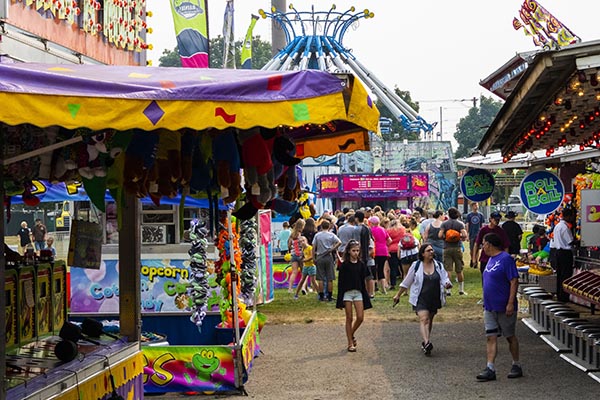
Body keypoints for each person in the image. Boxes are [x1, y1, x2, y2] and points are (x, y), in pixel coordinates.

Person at [476, 232, 522, 382]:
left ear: (489, 244)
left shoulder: (506, 259)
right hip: (489, 306)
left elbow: (514, 281)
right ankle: (490, 367)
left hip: (504, 305)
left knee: (510, 336)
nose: (482, 246)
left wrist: (510, 302)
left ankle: (516, 364)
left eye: (483, 243)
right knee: (491, 336)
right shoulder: (490, 259)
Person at [392, 243, 452, 356]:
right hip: (420, 298)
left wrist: (448, 284)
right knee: (424, 319)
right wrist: (398, 295)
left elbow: (444, 278)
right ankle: (427, 342)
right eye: (429, 250)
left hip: (434, 297)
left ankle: (426, 343)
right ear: (422, 253)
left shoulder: (438, 265)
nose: (431, 252)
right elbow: (407, 282)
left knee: (430, 319)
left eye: (432, 250)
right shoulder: (416, 265)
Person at [336, 240, 372, 352]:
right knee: (349, 317)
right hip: (347, 293)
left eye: (357, 250)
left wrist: (369, 293)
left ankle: (351, 333)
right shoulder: (344, 266)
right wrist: (339, 300)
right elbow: (340, 283)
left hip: (358, 293)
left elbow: (367, 279)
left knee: (360, 317)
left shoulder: (361, 265)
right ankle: (350, 343)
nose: (356, 253)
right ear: (349, 251)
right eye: (353, 251)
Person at [439, 207, 468, 296]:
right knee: (459, 269)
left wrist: (445, 237)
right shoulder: (460, 224)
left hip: (447, 247)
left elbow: (440, 235)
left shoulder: (444, 224)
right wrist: (460, 237)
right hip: (457, 247)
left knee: (448, 269)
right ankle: (461, 290)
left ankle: (448, 291)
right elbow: (465, 234)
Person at [550, 208, 577, 302]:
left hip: (558, 252)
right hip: (565, 253)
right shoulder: (565, 228)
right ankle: (564, 296)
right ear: (568, 216)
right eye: (572, 216)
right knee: (566, 275)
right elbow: (570, 241)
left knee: (560, 274)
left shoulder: (558, 226)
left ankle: (560, 294)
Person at [312, 220, 341, 301]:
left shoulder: (317, 235)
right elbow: (339, 242)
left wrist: (313, 257)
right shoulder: (331, 235)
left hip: (320, 256)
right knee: (330, 277)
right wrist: (333, 248)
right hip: (328, 256)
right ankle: (329, 295)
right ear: (329, 227)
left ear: (321, 226)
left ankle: (321, 295)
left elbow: (313, 247)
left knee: (320, 278)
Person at [370, 216, 391, 294]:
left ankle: (374, 288)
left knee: (373, 269)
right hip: (384, 251)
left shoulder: (371, 230)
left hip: (375, 251)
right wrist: (385, 245)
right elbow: (389, 240)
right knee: (381, 270)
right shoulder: (383, 229)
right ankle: (384, 290)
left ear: (372, 223)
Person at [287, 219, 306, 294]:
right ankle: (303, 287)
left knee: (294, 272)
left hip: (293, 255)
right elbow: (304, 246)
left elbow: (288, 245)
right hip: (301, 255)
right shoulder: (301, 236)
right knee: (304, 273)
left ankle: (290, 288)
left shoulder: (292, 235)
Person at [387, 218, 405, 289]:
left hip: (391, 250)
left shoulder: (388, 231)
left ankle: (393, 284)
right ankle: (404, 282)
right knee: (403, 267)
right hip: (401, 249)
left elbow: (387, 240)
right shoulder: (402, 230)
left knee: (393, 268)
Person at [465, 202, 484, 268]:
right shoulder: (469, 215)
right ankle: (472, 259)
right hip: (472, 234)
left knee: (478, 249)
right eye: (475, 205)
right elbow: (467, 225)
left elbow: (482, 225)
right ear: (472, 206)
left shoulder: (480, 215)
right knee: (472, 249)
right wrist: (467, 234)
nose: (476, 206)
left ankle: (475, 261)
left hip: (478, 234)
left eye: (477, 205)